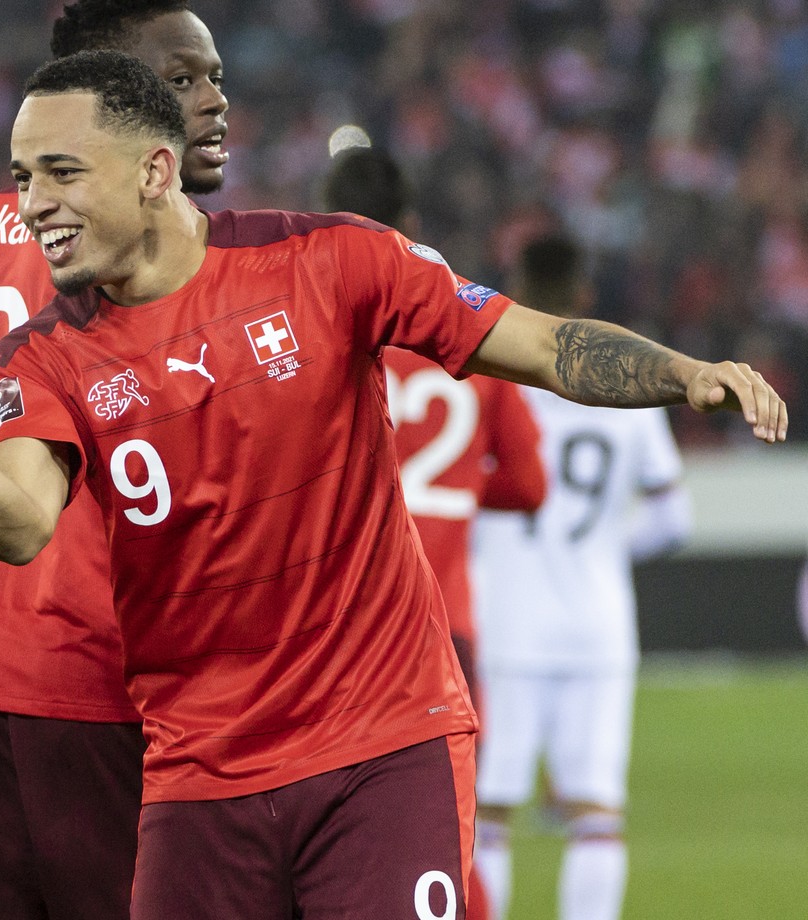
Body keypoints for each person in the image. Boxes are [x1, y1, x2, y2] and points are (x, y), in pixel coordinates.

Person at [0, 50, 785, 918]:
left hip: (381, 745)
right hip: (198, 774)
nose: (33, 200)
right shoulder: (35, 361)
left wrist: (684, 373)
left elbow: (536, 341)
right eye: (21, 174)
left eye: (61, 171)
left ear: (155, 171)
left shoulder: (328, 261)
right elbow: (16, 521)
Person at [0, 2, 229, 915]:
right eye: (182, 80)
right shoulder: (119, 244)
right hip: (96, 671)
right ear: (116, 94)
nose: (213, 103)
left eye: (212, 79)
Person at [325, 145, 548, 920]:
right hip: (441, 631)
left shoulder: (317, 332)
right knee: (443, 844)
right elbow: (529, 485)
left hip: (329, 628)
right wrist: (453, 491)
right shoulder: (467, 341)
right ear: (412, 227)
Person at [471, 233, 694, 920]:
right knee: (597, 810)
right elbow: (673, 519)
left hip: (505, 619)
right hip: (598, 625)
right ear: (583, 295)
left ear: (515, 290)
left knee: (490, 815)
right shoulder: (626, 382)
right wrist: (601, 552)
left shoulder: (490, 378)